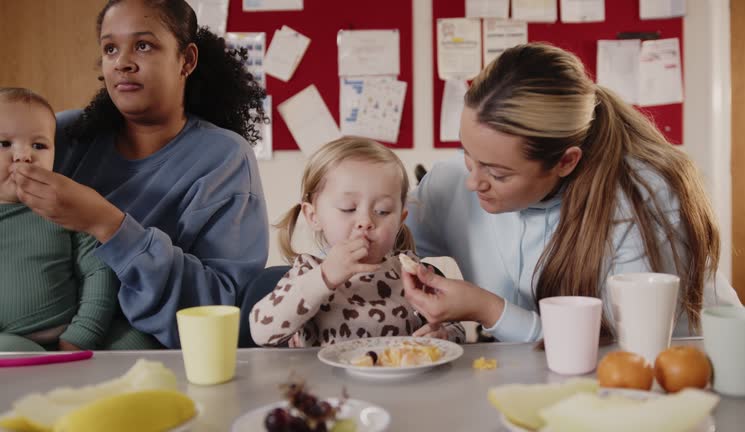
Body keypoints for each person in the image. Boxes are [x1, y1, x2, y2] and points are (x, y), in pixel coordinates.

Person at [403, 43, 741, 343]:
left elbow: (621, 350)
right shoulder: (454, 181)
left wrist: (489, 310)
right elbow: (378, 241)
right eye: (467, 154)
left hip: (690, 367)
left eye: (498, 172)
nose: (472, 181)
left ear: (565, 162)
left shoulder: (640, 198)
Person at [11, 0, 269, 348]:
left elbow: (222, 312)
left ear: (187, 60)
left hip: (151, 356)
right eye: (110, 48)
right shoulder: (61, 136)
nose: (122, 63)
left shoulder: (225, 158)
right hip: (36, 337)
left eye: (143, 46)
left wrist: (108, 224)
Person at [250, 137, 465, 347]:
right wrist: (324, 278)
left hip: (397, 382)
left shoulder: (412, 272)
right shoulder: (309, 272)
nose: (365, 222)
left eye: (382, 211)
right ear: (313, 216)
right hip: (326, 383)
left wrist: (441, 335)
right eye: (348, 208)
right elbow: (261, 331)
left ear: (400, 220)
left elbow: (457, 331)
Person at [0, 88, 118, 352]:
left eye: (39, 145)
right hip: (11, 344)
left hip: (69, 333)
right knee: (12, 351)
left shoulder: (66, 207)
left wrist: (82, 334)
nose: (23, 156)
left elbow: (99, 272)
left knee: (137, 339)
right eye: (4, 144)